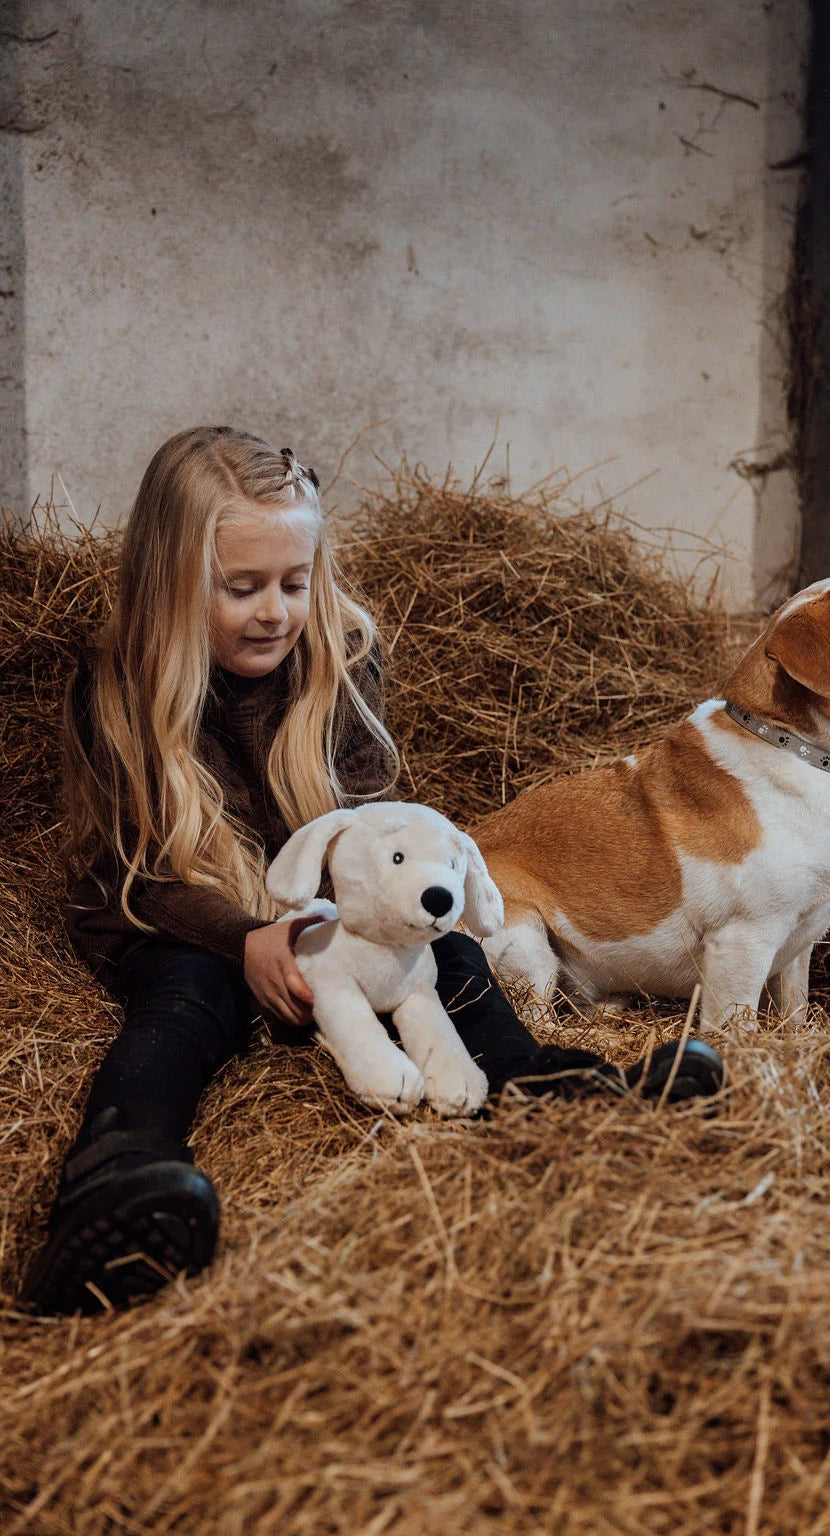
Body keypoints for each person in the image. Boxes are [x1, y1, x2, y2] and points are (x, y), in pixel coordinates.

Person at [20, 426, 724, 1316]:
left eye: (293, 582)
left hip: (329, 910)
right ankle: (124, 1172)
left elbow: (372, 826)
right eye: (241, 588)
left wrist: (329, 927)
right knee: (184, 1002)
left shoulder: (342, 654)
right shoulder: (118, 684)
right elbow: (136, 874)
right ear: (170, 581)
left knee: (447, 948)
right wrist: (247, 941)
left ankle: (537, 1075)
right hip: (181, 912)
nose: (275, 610)